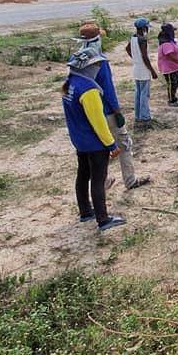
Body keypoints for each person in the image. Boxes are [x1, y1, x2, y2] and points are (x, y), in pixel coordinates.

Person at [61, 46, 128, 232]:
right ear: (87, 67)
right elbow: (98, 122)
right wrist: (111, 144)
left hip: (79, 140)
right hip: (94, 143)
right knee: (98, 179)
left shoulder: (69, 83)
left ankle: (85, 211)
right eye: (96, 64)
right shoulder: (89, 90)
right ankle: (103, 219)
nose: (98, 67)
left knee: (83, 174)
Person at [76, 23, 149, 190]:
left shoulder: (77, 60)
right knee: (123, 144)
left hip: (88, 113)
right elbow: (108, 90)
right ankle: (130, 180)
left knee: (99, 147)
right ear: (97, 39)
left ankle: (104, 180)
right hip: (106, 111)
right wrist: (117, 112)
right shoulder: (99, 61)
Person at [125, 18, 158, 126]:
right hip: (143, 70)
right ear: (144, 28)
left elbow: (127, 48)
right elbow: (145, 57)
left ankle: (138, 116)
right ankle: (145, 117)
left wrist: (135, 58)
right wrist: (152, 71)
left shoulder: (133, 37)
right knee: (144, 94)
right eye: (147, 27)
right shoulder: (142, 40)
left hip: (136, 69)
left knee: (138, 93)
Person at [156, 23, 178, 106]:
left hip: (173, 67)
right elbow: (170, 55)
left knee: (176, 80)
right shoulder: (166, 43)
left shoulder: (169, 41)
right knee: (171, 83)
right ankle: (171, 100)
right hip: (168, 68)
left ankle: (173, 96)